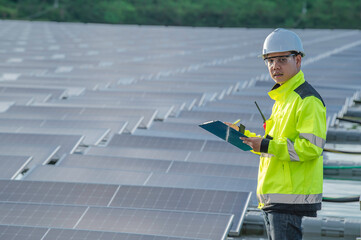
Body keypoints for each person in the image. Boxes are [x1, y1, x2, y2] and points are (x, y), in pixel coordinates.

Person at [227, 28, 327, 239]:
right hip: (275, 199)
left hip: (291, 200)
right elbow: (274, 144)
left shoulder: (307, 100)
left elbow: (311, 149)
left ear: (298, 60)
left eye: (282, 59)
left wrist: (264, 145)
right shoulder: (283, 99)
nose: (275, 66)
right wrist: (243, 135)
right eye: (269, 61)